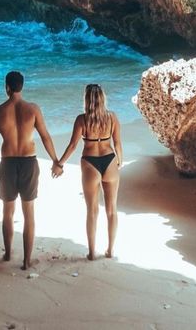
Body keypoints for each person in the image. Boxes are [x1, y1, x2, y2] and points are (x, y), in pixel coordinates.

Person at [0, 70, 62, 270]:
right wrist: (56, 161)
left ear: (7, 87)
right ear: (22, 87)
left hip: (8, 163)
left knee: (7, 212)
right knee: (29, 213)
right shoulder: (33, 109)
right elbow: (46, 137)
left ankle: (8, 253)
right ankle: (27, 260)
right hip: (29, 162)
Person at [53, 84, 122, 260]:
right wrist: (119, 161)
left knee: (92, 211)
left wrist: (59, 164)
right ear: (103, 98)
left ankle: (92, 252)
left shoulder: (81, 120)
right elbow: (117, 143)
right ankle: (110, 250)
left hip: (90, 163)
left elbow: (73, 145)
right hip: (109, 160)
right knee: (112, 210)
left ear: (86, 99)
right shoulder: (112, 117)